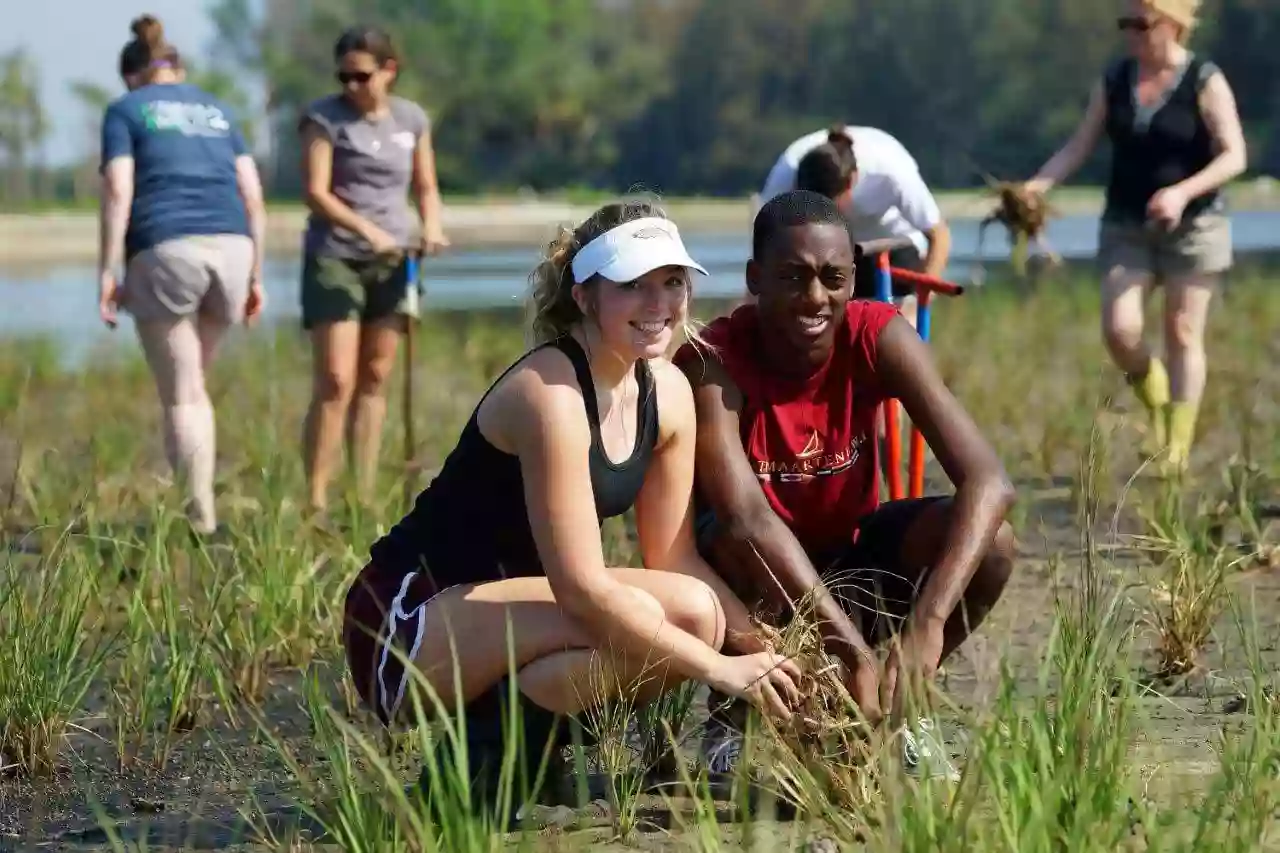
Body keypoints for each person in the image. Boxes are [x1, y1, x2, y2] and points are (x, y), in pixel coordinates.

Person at [341, 200, 803, 816]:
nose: (658, 304)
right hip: (407, 623)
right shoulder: (549, 394)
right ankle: (476, 765)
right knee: (667, 626)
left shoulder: (666, 391)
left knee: (697, 612)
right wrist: (720, 671)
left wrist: (762, 646)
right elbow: (582, 590)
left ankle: (506, 764)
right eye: (632, 286)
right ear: (584, 297)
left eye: (671, 282)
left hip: (517, 617)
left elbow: (677, 557)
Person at [673, 190, 1017, 779]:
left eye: (833, 277)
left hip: (849, 562)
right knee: (732, 540)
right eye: (793, 277)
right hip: (755, 585)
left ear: (854, 277)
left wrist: (928, 624)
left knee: (995, 543)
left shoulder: (877, 334)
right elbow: (743, 516)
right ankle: (733, 717)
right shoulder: (713, 358)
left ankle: (907, 709)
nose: (815, 297)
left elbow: (988, 480)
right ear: (756, 278)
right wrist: (846, 647)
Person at [1020, 0, 1246, 475]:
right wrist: (1038, 186)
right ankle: (1157, 397)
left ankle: (1176, 446)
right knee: (1120, 329)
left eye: (1142, 24)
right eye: (1126, 23)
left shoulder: (1204, 79)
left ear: (1175, 25)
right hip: (1126, 223)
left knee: (1183, 331)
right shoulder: (1114, 79)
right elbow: (1079, 144)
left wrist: (1182, 193)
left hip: (1194, 225)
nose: (1131, 34)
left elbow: (1233, 156)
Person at [97, 14, 266, 536]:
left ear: (132, 76)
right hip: (234, 249)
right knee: (195, 389)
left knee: (182, 395)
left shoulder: (125, 110)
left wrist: (108, 269)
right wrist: (256, 273)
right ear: (177, 68)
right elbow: (253, 194)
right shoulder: (218, 109)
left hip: (167, 246)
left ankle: (200, 519)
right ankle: (198, 505)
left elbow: (119, 190)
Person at [298, 26, 450, 513]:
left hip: (396, 260)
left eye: (361, 76)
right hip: (336, 256)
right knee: (336, 380)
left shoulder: (411, 119)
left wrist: (431, 226)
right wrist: (366, 231)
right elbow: (315, 192)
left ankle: (361, 494)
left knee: (376, 375)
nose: (351, 86)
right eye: (343, 76)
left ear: (389, 70)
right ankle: (316, 497)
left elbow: (425, 185)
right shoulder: (323, 118)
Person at [757, 124, 953, 325]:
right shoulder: (786, 173)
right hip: (828, 254)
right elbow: (765, 252)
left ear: (852, 182)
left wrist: (922, 300)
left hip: (895, 248)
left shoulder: (890, 169)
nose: (825, 214)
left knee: (898, 330)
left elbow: (939, 235)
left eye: (830, 207)